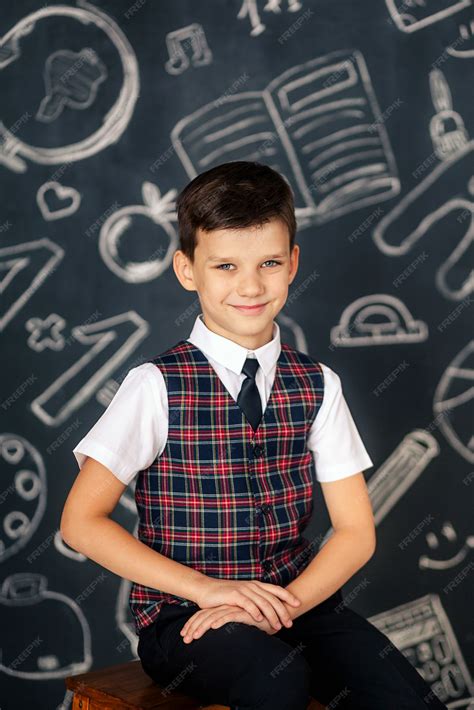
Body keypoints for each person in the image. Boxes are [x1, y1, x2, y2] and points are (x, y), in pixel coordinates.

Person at [61, 161, 448, 709]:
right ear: (186, 270)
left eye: (269, 262)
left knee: (402, 697)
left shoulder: (317, 384)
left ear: (292, 264)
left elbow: (356, 532)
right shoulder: (155, 386)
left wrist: (281, 606)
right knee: (276, 681)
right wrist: (210, 592)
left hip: (298, 603)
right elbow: (81, 523)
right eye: (225, 265)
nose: (250, 285)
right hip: (187, 620)